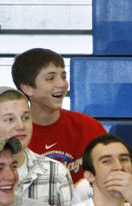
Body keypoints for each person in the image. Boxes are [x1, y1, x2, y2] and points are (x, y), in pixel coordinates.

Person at [11, 48, 107, 184]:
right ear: (27, 88)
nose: (62, 84)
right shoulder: (16, 133)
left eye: (63, 76)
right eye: (50, 78)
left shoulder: (88, 126)